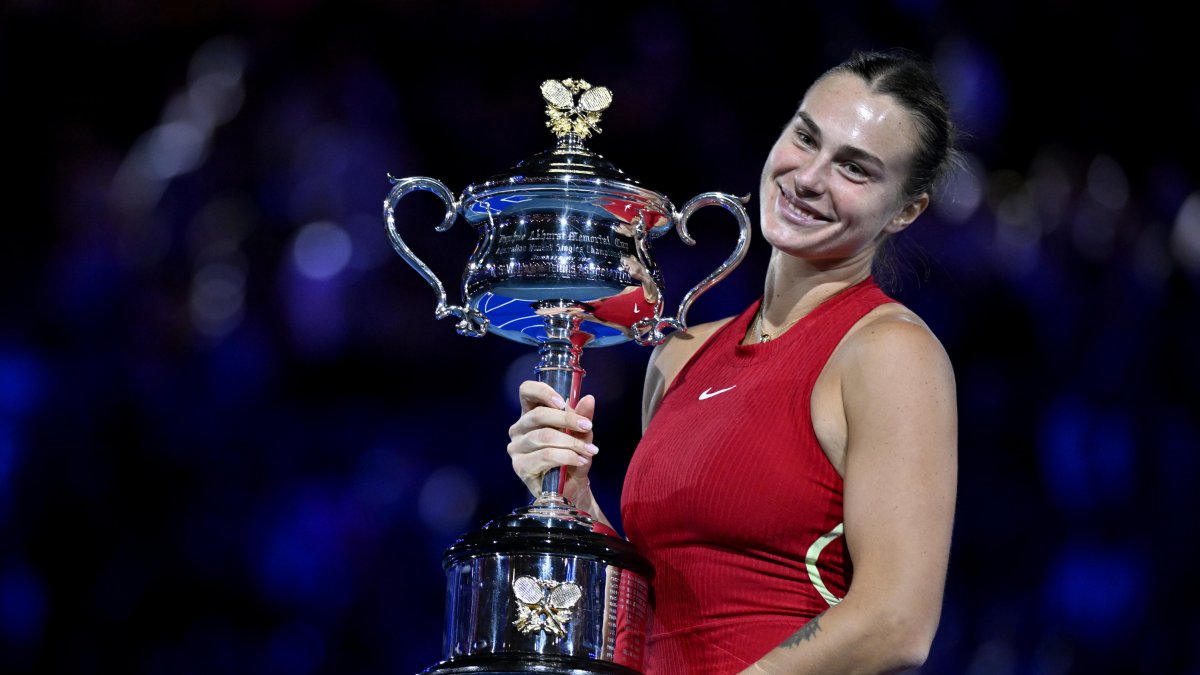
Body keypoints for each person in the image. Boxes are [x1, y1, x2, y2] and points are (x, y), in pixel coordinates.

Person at [507, 48, 960, 673]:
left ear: (905, 210)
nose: (808, 178)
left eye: (854, 168)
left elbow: (896, 623)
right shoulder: (679, 353)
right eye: (806, 137)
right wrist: (575, 503)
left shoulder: (889, 352)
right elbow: (657, 608)